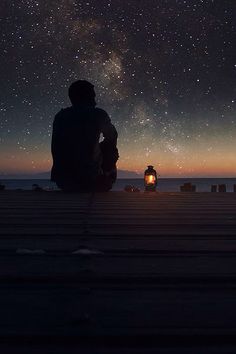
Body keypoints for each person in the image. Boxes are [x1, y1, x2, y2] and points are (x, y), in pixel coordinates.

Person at [51, 80, 119, 192]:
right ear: (86, 97)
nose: (95, 102)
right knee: (109, 146)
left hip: (63, 183)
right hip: (92, 182)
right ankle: (104, 175)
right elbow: (112, 136)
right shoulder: (98, 114)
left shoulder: (60, 116)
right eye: (93, 97)